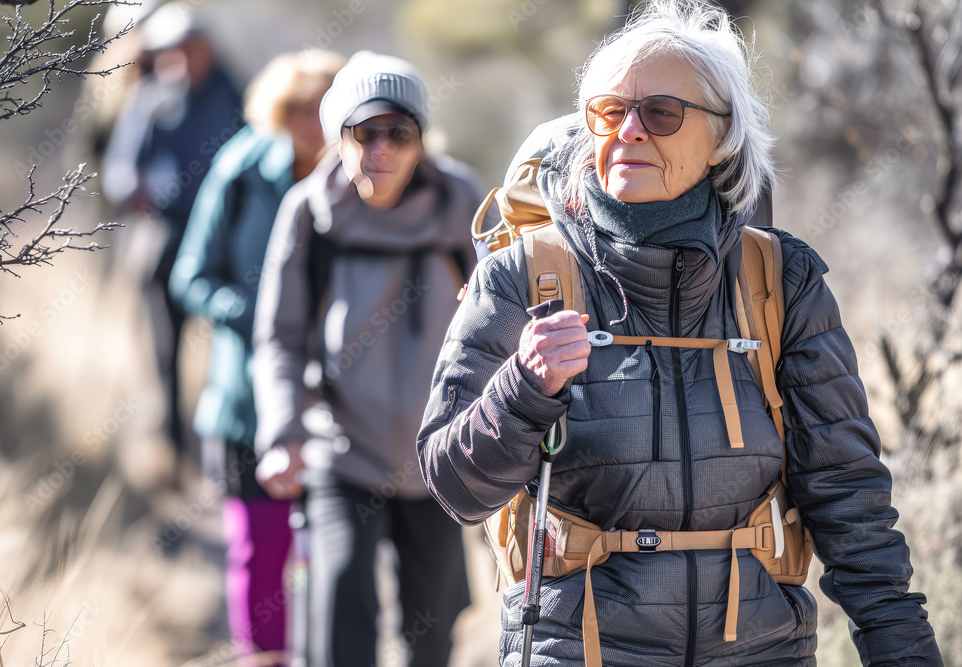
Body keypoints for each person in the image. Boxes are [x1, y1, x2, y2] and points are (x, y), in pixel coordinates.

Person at [417, 1, 944, 665]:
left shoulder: (783, 281)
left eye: (661, 113)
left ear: (723, 136)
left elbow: (849, 498)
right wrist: (523, 388)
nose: (629, 131)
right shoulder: (523, 278)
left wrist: (904, 651)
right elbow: (454, 485)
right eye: (610, 112)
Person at [252, 52, 479, 667]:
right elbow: (279, 337)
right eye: (363, 131)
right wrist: (284, 432)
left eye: (398, 131)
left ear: (420, 140)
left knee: (430, 631)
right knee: (338, 614)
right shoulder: (308, 212)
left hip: (439, 454)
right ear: (337, 136)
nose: (381, 148)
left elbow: (499, 328)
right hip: (340, 448)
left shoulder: (464, 205)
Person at [168, 50, 345, 667]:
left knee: (329, 550)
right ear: (279, 110)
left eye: (323, 109)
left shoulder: (366, 181)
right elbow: (190, 275)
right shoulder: (241, 169)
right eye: (299, 108)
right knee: (258, 546)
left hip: (338, 406)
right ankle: (263, 657)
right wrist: (258, 318)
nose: (311, 124)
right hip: (244, 403)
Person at [102, 2, 243, 470]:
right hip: (162, 244)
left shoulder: (236, 97)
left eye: (189, 48)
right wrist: (138, 190)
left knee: (233, 346)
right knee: (165, 354)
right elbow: (117, 174)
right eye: (169, 50)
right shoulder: (149, 99)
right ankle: (173, 450)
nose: (179, 59)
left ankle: (226, 448)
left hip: (228, 248)